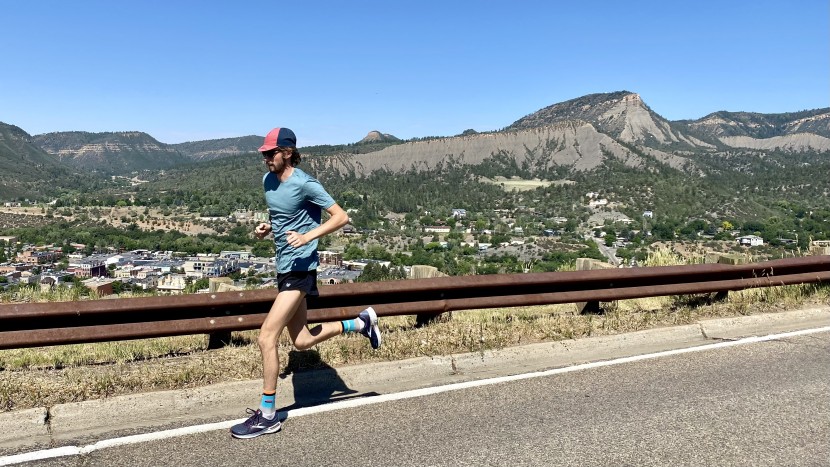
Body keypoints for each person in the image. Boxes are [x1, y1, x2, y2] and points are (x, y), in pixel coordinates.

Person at [231, 127, 381, 439]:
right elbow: (283, 218)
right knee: (300, 341)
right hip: (284, 268)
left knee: (266, 338)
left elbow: (341, 217)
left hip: (301, 270)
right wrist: (266, 229)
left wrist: (308, 237)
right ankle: (361, 323)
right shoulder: (268, 181)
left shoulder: (306, 183)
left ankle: (268, 414)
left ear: (287, 152)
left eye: (271, 153)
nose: (266, 158)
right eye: (263, 153)